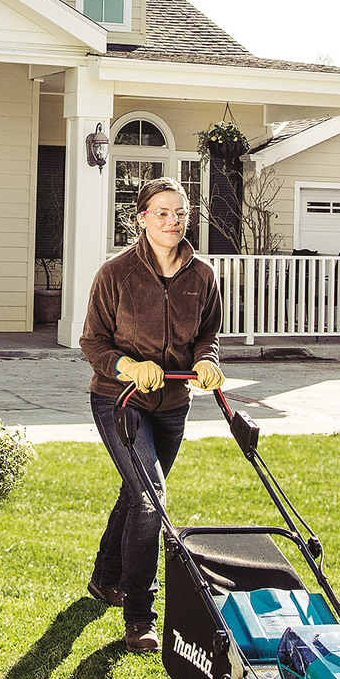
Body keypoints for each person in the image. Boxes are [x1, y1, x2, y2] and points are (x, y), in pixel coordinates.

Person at [80, 176, 225, 651]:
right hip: (118, 400)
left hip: (173, 404)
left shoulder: (202, 276)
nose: (172, 221)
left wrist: (207, 360)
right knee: (150, 497)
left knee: (136, 491)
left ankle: (105, 578)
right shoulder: (115, 273)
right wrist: (128, 366)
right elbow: (93, 341)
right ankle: (140, 615)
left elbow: (207, 334)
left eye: (180, 212)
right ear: (141, 218)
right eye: (161, 212)